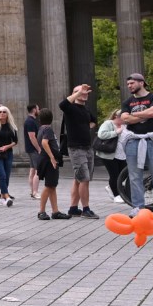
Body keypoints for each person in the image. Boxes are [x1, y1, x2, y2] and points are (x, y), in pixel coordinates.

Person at [120, 73, 153, 210]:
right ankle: (138, 207)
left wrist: (132, 115)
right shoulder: (127, 102)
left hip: (151, 140)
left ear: (141, 82)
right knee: (135, 176)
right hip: (133, 141)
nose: (129, 86)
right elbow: (125, 119)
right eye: (128, 84)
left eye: (132, 83)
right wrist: (144, 114)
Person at [58, 84, 98, 218]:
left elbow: (94, 121)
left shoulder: (85, 109)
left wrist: (85, 128)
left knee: (78, 179)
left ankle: (73, 208)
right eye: (80, 91)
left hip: (87, 147)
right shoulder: (70, 108)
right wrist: (78, 92)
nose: (84, 92)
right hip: (76, 148)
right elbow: (62, 104)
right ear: (74, 94)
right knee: (84, 179)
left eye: (85, 91)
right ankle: (86, 209)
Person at [34, 107, 66, 220]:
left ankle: (55, 211)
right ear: (51, 118)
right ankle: (41, 211)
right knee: (49, 186)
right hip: (48, 161)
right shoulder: (48, 129)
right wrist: (52, 157)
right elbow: (44, 142)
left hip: (44, 160)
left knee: (52, 186)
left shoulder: (41, 129)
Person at [97, 112, 127, 203]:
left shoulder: (125, 125)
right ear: (115, 116)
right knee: (114, 175)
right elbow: (101, 134)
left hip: (122, 154)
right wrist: (116, 132)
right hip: (109, 154)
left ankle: (111, 187)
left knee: (124, 174)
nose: (123, 120)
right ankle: (116, 195)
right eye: (121, 117)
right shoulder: (108, 123)